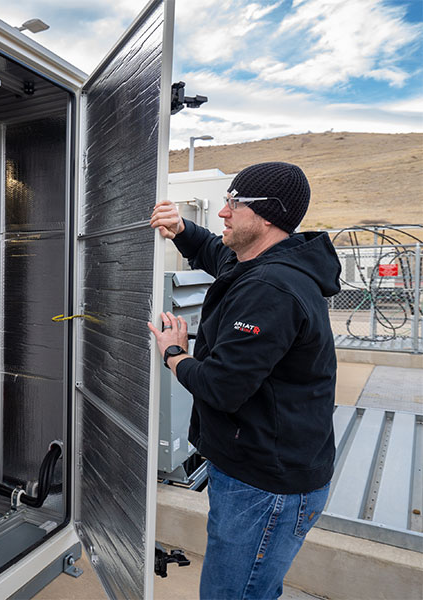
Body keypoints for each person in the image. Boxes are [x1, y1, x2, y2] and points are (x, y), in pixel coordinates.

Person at [147, 162, 341, 599]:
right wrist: (181, 228)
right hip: (255, 473)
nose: (224, 212)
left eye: (235, 203)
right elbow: (218, 254)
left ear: (267, 215)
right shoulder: (261, 262)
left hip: (265, 488)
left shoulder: (272, 288)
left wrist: (174, 353)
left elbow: (221, 387)